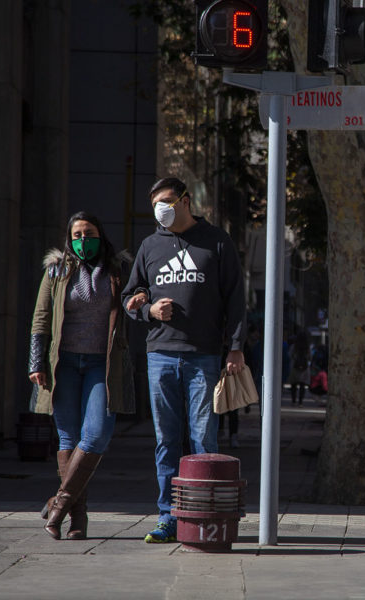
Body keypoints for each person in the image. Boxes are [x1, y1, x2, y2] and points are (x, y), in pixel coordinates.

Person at [122, 177, 246, 544]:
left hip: (203, 358)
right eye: (156, 203)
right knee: (166, 441)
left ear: (185, 201)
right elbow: (131, 298)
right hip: (159, 355)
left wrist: (235, 347)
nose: (161, 207)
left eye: (167, 200)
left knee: (203, 438)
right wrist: (148, 311)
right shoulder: (149, 247)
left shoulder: (217, 241)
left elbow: (236, 299)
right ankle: (168, 517)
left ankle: (205, 515)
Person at [28, 212, 134, 540]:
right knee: (68, 439)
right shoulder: (57, 270)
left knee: (96, 434)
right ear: (68, 238)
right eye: (77, 234)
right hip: (64, 365)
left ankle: (58, 504)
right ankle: (78, 519)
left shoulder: (117, 270)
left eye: (89, 233)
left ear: (101, 236)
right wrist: (36, 363)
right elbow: (41, 318)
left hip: (102, 366)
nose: (83, 240)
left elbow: (130, 304)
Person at [288, 332, 310, 405]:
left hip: (294, 367)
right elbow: (310, 357)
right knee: (302, 385)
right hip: (304, 368)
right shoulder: (307, 347)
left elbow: (289, 355)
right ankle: (300, 402)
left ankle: (293, 401)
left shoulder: (294, 346)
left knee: (293, 385)